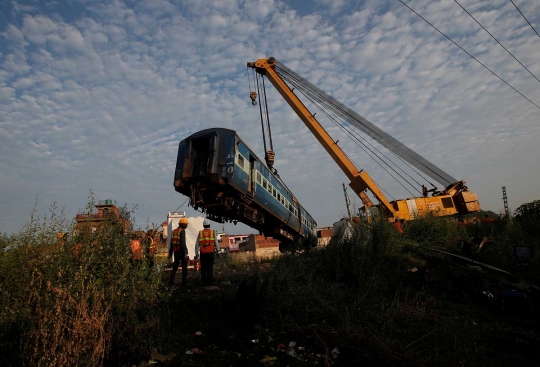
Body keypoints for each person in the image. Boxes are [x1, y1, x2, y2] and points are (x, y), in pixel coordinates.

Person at [195, 218, 220, 286]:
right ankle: (210, 282)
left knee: (203, 268)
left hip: (203, 253)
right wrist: (218, 251)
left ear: (203, 225)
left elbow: (197, 244)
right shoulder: (212, 232)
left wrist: (196, 252)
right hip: (211, 252)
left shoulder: (200, 233)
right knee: (209, 268)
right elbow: (216, 243)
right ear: (209, 225)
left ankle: (203, 282)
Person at [169, 217, 189, 286]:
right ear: (182, 224)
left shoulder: (173, 231)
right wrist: (185, 252)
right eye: (186, 224)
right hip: (181, 251)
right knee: (184, 267)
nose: (187, 226)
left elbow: (171, 243)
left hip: (176, 252)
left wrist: (170, 253)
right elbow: (183, 243)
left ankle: (171, 282)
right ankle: (184, 282)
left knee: (175, 267)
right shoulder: (182, 231)